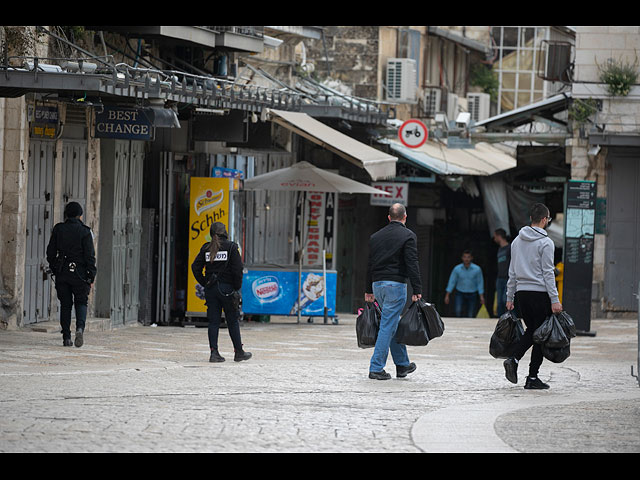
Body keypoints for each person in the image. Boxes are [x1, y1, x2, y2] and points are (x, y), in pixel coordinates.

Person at [504, 203, 563, 390]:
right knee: (540, 335)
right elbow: (547, 273)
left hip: (522, 294)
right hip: (540, 294)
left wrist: (510, 296)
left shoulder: (516, 241)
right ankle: (530, 375)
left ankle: (518, 364)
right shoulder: (546, 243)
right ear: (545, 219)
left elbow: (512, 272)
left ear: (532, 218)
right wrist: (555, 299)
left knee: (533, 331)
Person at [365, 203, 422, 380]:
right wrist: (417, 289)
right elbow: (412, 263)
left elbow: (370, 263)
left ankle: (402, 364)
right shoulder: (408, 236)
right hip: (395, 286)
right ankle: (376, 368)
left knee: (392, 322)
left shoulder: (375, 236)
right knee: (388, 325)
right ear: (405, 217)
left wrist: (368, 289)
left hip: (378, 286)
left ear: (389, 218)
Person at [191, 222, 251, 363]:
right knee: (232, 321)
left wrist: (205, 282)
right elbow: (238, 270)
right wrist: (236, 288)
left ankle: (214, 353)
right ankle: (239, 352)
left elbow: (195, 267)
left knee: (213, 322)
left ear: (212, 233)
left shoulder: (206, 248)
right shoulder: (231, 247)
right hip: (227, 289)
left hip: (211, 290)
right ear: (224, 232)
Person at [46, 202, 97, 348]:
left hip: (62, 272)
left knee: (65, 305)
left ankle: (66, 337)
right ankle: (80, 329)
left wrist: (54, 266)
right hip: (80, 274)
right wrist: (91, 275)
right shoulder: (85, 231)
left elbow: (50, 252)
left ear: (66, 214)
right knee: (81, 302)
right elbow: (90, 257)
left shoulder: (59, 229)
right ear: (80, 215)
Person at [444, 250, 485, 317]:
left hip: (472, 293)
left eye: (468, 257)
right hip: (460, 293)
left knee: (471, 314)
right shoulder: (457, 269)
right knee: (458, 311)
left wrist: (481, 297)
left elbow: (480, 283)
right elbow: (452, 282)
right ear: (462, 258)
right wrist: (447, 295)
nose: (466, 259)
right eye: (465, 257)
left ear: (471, 258)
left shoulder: (477, 269)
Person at [493, 229, 511, 317]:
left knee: (506, 300)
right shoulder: (500, 249)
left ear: (498, 236)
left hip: (508, 278)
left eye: (495, 236)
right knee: (499, 301)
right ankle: (500, 320)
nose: (494, 238)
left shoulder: (509, 248)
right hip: (500, 278)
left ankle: (510, 319)